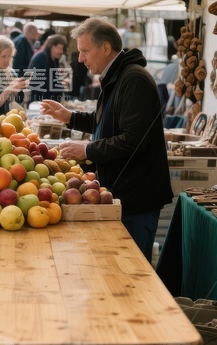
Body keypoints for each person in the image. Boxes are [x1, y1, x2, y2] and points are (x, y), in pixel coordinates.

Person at [41, 17, 173, 260]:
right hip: (124, 192)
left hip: (136, 198)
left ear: (105, 48)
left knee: (131, 270)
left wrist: (88, 150)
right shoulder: (118, 76)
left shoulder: (133, 80)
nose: (80, 59)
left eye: (85, 51)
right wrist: (70, 117)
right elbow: (108, 121)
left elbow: (133, 140)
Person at [27, 34, 69, 103]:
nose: (61, 51)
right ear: (52, 46)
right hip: (37, 100)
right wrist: (61, 86)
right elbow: (40, 83)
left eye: (62, 49)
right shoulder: (41, 58)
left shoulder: (54, 60)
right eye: (59, 48)